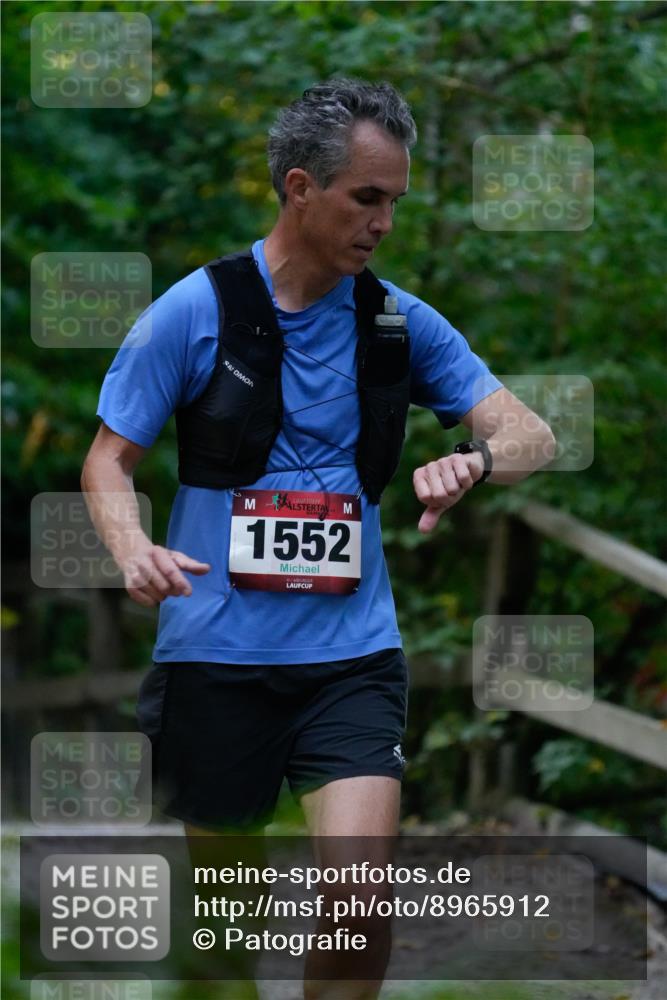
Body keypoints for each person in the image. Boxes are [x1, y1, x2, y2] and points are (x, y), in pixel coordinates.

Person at [82, 78, 555, 999]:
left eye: (395, 202)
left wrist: (471, 460)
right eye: (365, 198)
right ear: (300, 187)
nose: (384, 223)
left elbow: (528, 432)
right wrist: (131, 550)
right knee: (223, 944)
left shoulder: (396, 323)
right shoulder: (194, 310)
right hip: (214, 659)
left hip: (352, 661)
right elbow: (108, 462)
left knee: (356, 900)